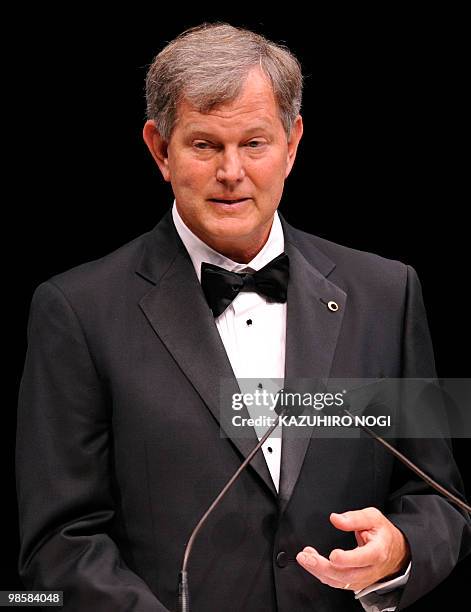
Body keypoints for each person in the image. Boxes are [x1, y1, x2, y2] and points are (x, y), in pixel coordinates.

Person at [16, 23, 470, 611]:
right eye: (205, 145)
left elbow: (443, 499)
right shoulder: (75, 311)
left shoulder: (388, 293)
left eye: (254, 143)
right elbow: (58, 543)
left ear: (293, 143)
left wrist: (401, 549)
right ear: (159, 149)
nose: (232, 172)